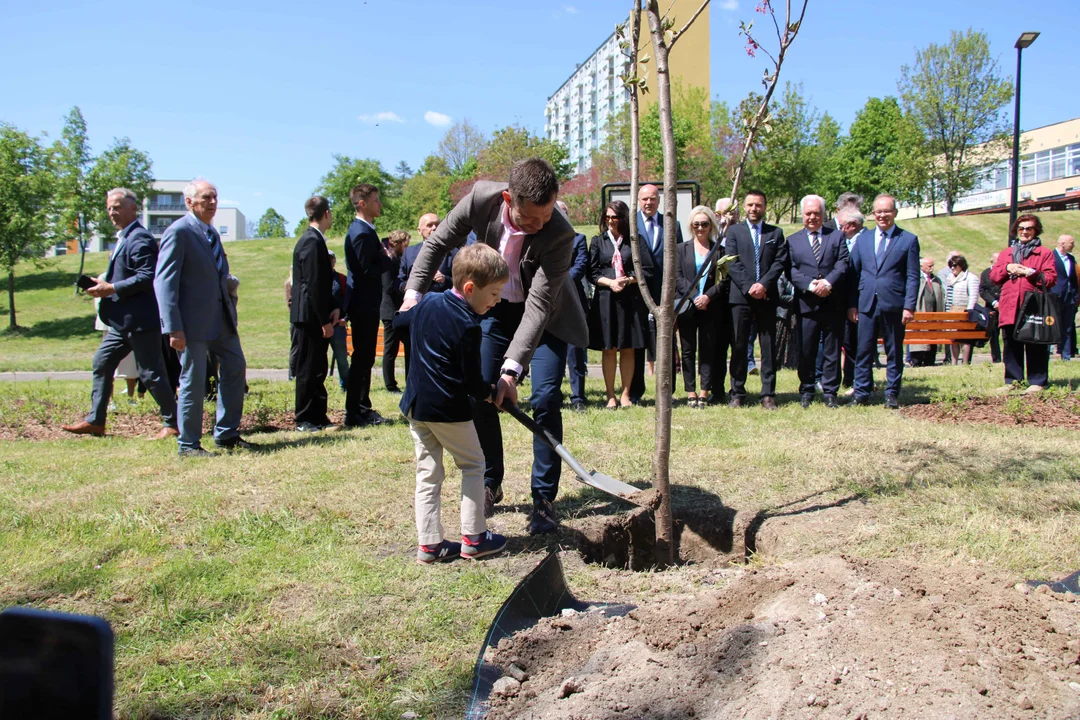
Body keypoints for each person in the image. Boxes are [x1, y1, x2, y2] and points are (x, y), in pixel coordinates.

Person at [399, 158, 587, 535]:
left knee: (546, 397)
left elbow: (538, 306)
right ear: (507, 199)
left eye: (547, 215)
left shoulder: (560, 234)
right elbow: (437, 243)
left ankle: (544, 499)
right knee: (480, 388)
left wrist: (512, 370)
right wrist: (412, 293)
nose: (540, 225)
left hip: (545, 318)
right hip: (495, 309)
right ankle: (490, 480)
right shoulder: (480, 199)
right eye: (530, 218)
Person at [397, 243, 509, 564]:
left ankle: (430, 544)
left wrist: (408, 303)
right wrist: (490, 392)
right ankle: (474, 538)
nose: (497, 301)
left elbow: (401, 322)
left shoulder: (430, 301)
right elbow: (473, 384)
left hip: (417, 407)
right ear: (470, 288)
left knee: (428, 472)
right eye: (494, 294)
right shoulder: (468, 326)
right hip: (448, 410)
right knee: (474, 465)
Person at [62, 188, 178, 439]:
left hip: (140, 321)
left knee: (151, 374)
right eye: (109, 208)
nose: (112, 212)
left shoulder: (140, 238)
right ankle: (96, 420)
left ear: (133, 209)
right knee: (102, 363)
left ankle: (174, 423)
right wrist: (102, 284)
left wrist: (112, 288)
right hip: (121, 323)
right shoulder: (123, 237)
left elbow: (148, 277)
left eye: (116, 207)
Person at [154, 179, 250, 456]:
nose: (212, 202)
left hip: (221, 319)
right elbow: (164, 283)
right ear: (189, 202)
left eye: (215, 197)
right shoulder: (179, 232)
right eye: (206, 197)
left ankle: (227, 434)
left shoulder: (211, 233)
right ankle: (188, 444)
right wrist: (173, 327)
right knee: (193, 381)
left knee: (235, 367)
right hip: (191, 324)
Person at [847, 193, 920, 409]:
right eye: (878, 211)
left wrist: (909, 306)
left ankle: (892, 393)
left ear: (895, 213)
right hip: (866, 303)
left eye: (887, 211)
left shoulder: (908, 240)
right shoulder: (864, 239)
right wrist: (852, 304)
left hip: (894, 304)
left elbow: (913, 276)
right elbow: (853, 274)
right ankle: (862, 392)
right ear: (873, 214)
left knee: (894, 351)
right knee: (863, 350)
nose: (882, 215)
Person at [587, 200, 652, 409]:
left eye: (614, 217)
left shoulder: (635, 241)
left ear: (623, 219)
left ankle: (625, 394)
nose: (610, 221)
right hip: (606, 300)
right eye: (607, 217)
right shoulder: (598, 241)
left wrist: (627, 280)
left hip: (629, 300)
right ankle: (610, 395)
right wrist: (610, 283)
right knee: (609, 348)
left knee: (627, 348)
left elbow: (646, 269)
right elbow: (592, 272)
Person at [725, 190, 788, 409]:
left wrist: (763, 285)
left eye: (758, 205)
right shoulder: (734, 232)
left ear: (764, 207)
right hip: (740, 297)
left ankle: (768, 394)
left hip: (767, 296)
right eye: (750, 205)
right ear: (744, 207)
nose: (754, 209)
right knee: (739, 345)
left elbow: (780, 262)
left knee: (768, 346)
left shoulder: (776, 233)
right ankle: (737, 392)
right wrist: (748, 286)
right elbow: (731, 262)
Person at [787, 195, 849, 408]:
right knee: (807, 348)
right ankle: (806, 389)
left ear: (824, 214)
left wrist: (827, 283)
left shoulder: (837, 237)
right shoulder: (793, 240)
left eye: (817, 213)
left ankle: (830, 391)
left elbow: (843, 263)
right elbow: (791, 270)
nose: (812, 217)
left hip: (833, 302)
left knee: (832, 349)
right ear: (802, 215)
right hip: (807, 303)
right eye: (808, 213)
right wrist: (812, 285)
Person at [989, 215, 1058, 393]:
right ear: (1016, 231)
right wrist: (1007, 268)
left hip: (1033, 304)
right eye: (1021, 228)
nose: (1024, 232)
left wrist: (1031, 273)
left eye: (1029, 228)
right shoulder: (1007, 253)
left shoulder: (1044, 253)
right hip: (1010, 304)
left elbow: (1050, 279)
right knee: (1011, 344)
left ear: (1036, 231)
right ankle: (1013, 381)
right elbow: (994, 277)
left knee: (1036, 341)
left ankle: (1038, 381)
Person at [629, 183, 683, 403]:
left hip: (664, 292)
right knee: (638, 342)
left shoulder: (672, 224)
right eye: (644, 199)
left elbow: (678, 258)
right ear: (638, 201)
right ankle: (635, 392)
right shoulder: (631, 225)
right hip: (637, 293)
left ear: (659, 201)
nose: (648, 203)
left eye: (652, 199)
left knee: (666, 342)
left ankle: (666, 392)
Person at [290, 196, 339, 432]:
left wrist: (333, 309)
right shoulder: (311, 241)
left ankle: (318, 416)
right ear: (326, 213)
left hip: (317, 315)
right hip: (309, 318)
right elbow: (311, 285)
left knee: (318, 367)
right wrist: (323, 320)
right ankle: (303, 418)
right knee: (308, 368)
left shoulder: (316, 240)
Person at [343, 183, 386, 427]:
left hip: (368, 303)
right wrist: (387, 259)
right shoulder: (360, 233)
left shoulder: (366, 230)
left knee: (366, 357)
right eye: (375, 200)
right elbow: (365, 270)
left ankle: (362, 406)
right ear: (362, 203)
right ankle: (355, 410)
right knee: (362, 358)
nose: (379, 204)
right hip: (363, 304)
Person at [675, 206, 723, 407]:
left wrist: (708, 297)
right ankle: (690, 391)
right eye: (696, 224)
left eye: (704, 224)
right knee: (687, 350)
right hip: (688, 306)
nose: (700, 228)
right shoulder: (681, 249)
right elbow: (677, 277)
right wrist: (695, 296)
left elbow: (724, 280)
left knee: (707, 349)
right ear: (691, 226)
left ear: (710, 225)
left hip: (710, 307)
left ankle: (704, 390)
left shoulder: (719, 249)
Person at [557, 200, 590, 413]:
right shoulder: (544, 241)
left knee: (575, 354)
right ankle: (553, 394)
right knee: (552, 353)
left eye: (563, 212)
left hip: (574, 303)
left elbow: (580, 267)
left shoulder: (579, 240)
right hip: (550, 305)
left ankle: (578, 397)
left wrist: (557, 281)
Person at [836, 208, 869, 394]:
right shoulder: (850, 240)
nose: (839, 230)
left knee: (859, 343)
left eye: (841, 226)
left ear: (852, 225)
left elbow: (856, 275)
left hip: (859, 301)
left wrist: (853, 303)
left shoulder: (865, 241)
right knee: (848, 342)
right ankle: (850, 378)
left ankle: (860, 381)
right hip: (847, 301)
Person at [381, 230, 411, 392]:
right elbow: (388, 287)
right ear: (398, 243)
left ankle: (409, 380)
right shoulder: (389, 261)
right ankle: (390, 384)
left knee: (409, 346)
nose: (407, 247)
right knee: (391, 349)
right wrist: (406, 289)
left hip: (401, 311)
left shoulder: (400, 260)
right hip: (390, 311)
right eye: (405, 243)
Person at [399, 212, 454, 296]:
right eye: (429, 225)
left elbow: (461, 282)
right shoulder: (409, 252)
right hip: (417, 303)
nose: (434, 228)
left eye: (437, 225)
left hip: (442, 302)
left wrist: (444, 280)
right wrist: (407, 286)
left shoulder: (453, 252)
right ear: (419, 231)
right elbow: (399, 280)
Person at [908, 257, 945, 367]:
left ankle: (930, 362)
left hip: (933, 315)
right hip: (920, 315)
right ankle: (917, 362)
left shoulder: (936, 280)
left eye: (933, 265)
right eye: (929, 266)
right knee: (919, 340)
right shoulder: (915, 279)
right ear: (921, 267)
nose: (932, 268)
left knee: (932, 339)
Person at [944, 254, 980, 365]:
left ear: (961, 266)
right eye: (951, 266)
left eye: (955, 266)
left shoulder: (970, 278)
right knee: (953, 338)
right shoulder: (950, 278)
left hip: (964, 310)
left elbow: (973, 296)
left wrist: (969, 311)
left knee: (965, 338)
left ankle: (965, 362)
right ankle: (954, 362)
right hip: (951, 310)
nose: (952, 268)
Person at [1051, 235, 1078, 361]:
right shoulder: (1051, 257)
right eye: (1071, 243)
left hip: (1069, 298)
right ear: (1062, 243)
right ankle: (1049, 352)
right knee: (1052, 325)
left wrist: (1075, 295)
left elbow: (1073, 279)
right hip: (1055, 297)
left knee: (1067, 327)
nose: (1073, 245)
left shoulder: (1071, 259)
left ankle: (1066, 355)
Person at [327, 251, 350, 391]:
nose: (329, 262)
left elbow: (350, 301)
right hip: (322, 325)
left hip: (338, 326)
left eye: (331, 259)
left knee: (342, 359)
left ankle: (346, 386)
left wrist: (345, 319)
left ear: (335, 261)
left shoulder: (342, 279)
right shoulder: (317, 278)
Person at [979, 252, 1003, 363]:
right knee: (994, 334)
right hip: (991, 307)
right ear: (991, 261)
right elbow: (982, 291)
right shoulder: (985, 273)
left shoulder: (1006, 272)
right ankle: (996, 358)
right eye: (997, 260)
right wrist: (993, 302)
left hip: (1005, 307)